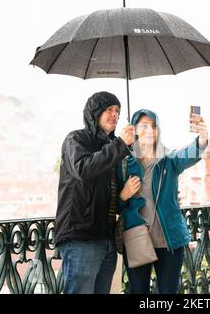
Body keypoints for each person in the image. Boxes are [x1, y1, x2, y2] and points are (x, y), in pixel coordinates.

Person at [117, 109, 208, 294]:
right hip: (136, 240)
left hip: (170, 243)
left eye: (154, 126)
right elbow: (115, 206)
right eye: (144, 126)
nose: (150, 130)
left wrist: (203, 136)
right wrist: (124, 195)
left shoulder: (169, 160)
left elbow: (190, 153)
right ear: (133, 130)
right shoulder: (125, 164)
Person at [54, 91, 135, 294]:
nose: (114, 114)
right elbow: (83, 169)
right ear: (94, 113)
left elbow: (107, 193)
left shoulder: (113, 146)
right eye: (108, 109)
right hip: (81, 237)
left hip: (106, 238)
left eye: (117, 110)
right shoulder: (75, 139)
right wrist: (120, 145)